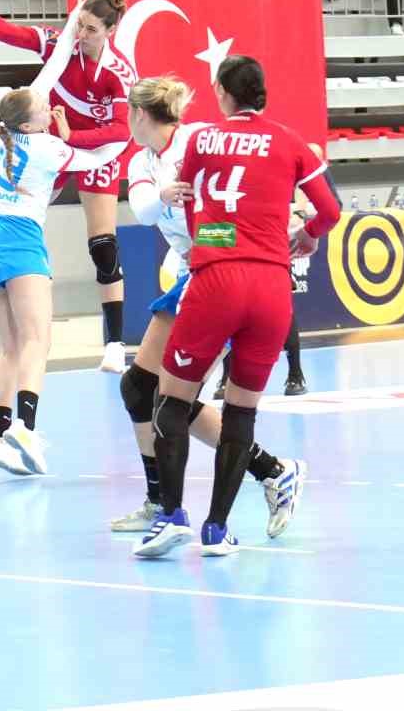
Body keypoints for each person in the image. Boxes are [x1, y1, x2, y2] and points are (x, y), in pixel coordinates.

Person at [134, 57, 339, 558]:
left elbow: (189, 204)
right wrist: (307, 236)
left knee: (170, 399)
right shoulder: (290, 141)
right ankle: (217, 529)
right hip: (271, 284)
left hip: (216, 279)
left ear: (223, 93)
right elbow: (330, 210)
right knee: (241, 410)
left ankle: (172, 514)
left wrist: (215, 242)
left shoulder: (202, 140)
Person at [0, 0, 135, 373]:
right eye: (80, 24)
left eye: (92, 30)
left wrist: (74, 137)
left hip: (92, 148)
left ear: (110, 31)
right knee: (13, 217)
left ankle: (115, 343)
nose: (81, 34)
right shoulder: (59, 45)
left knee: (103, 244)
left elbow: (121, 130)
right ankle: (6, 308)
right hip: (47, 146)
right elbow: (4, 31)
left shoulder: (119, 72)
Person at [0, 86, 131, 475]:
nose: (52, 110)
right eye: (45, 109)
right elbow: (98, 157)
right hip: (18, 238)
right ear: (29, 124)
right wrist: (123, 132)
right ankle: (25, 429)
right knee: (37, 341)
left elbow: (34, 98)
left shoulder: (5, 136)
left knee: (12, 347)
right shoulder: (46, 147)